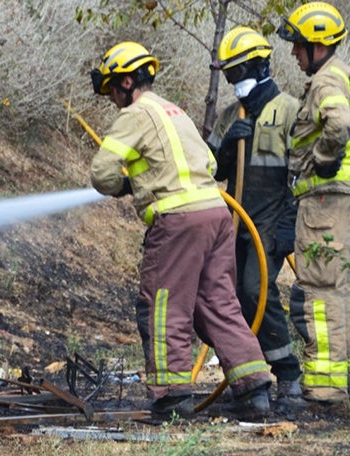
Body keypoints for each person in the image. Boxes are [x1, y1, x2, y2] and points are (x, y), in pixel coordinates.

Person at [89, 41, 273, 418]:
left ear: (126, 81)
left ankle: (172, 396)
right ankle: (254, 389)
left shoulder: (135, 115)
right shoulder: (176, 111)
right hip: (215, 215)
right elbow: (206, 159)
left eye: (110, 87)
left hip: (178, 222)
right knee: (217, 302)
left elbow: (101, 173)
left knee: (162, 306)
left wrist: (126, 186)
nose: (110, 97)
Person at [207, 26, 305, 409]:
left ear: (261, 66)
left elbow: (302, 172)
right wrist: (229, 146)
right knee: (229, 296)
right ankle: (251, 379)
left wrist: (289, 222)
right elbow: (211, 168)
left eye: (239, 72)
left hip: (270, 219)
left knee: (254, 290)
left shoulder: (290, 111)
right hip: (235, 220)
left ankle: (289, 377)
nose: (235, 81)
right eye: (229, 74)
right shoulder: (230, 115)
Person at [278, 1, 350, 405]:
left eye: (298, 45)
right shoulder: (339, 76)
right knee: (338, 290)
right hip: (336, 204)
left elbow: (338, 124)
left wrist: (322, 161)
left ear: (318, 47)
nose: (293, 52)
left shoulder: (327, 82)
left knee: (321, 293)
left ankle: (325, 387)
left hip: (326, 204)